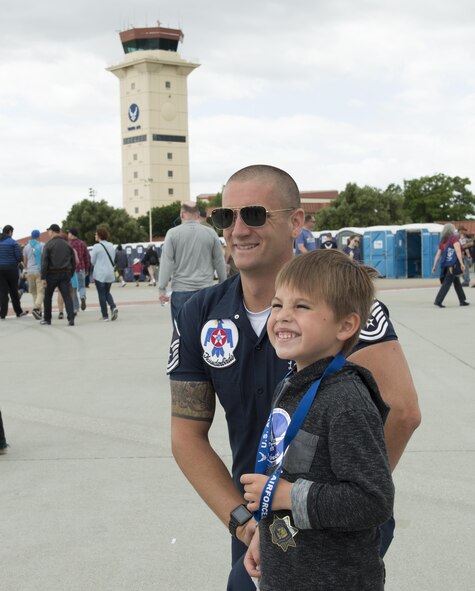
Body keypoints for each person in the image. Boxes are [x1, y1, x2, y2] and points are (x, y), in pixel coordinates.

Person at [168, 165, 420, 591]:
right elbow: (186, 436)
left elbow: (402, 412)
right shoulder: (198, 313)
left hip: (328, 530)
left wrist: (325, 510)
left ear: (296, 222)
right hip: (256, 518)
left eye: (254, 214)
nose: (238, 229)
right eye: (226, 218)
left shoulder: (340, 304)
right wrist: (248, 524)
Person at [241, 250, 394, 590]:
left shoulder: (346, 401)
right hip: (286, 572)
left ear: (346, 325)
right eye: (278, 304)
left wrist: (284, 496)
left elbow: (373, 501)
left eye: (302, 307)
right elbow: (288, 468)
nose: (282, 316)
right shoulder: (293, 384)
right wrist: (265, 532)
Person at [158, 201, 227, 322]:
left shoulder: (172, 234)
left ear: (182, 214)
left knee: (181, 334)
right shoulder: (210, 233)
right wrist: (223, 283)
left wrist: (162, 289)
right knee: (204, 332)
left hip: (181, 291)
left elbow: (166, 263)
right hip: (206, 290)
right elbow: (219, 260)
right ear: (197, 214)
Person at [40, 224, 76, 326]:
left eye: (49, 231)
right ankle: (71, 318)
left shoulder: (48, 245)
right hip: (65, 274)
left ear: (52, 232)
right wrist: (71, 273)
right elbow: (73, 262)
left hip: (52, 274)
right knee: (67, 296)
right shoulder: (68, 244)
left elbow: (44, 262)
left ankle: (47, 319)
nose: (48, 233)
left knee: (47, 296)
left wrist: (43, 277)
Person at [432, 223, 469, 308]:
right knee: (446, 284)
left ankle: (462, 300)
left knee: (457, 282)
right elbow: (458, 251)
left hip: (445, 265)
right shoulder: (454, 239)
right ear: (451, 231)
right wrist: (462, 263)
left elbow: (438, 254)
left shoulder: (443, 241)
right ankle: (438, 301)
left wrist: (434, 265)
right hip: (453, 265)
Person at [0, 225, 28, 319]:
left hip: (0, 270)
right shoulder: (13, 242)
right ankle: (18, 312)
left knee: (3, 292)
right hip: (12, 269)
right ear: (10, 232)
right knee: (13, 291)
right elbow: (19, 257)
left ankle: (2, 314)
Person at [90, 227, 118, 321]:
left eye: (96, 234)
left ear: (99, 235)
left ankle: (105, 316)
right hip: (109, 272)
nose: (95, 235)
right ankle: (113, 307)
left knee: (101, 294)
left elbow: (92, 261)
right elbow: (113, 258)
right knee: (107, 292)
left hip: (100, 273)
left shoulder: (96, 246)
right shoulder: (111, 245)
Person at [22, 229, 45, 319]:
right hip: (39, 271)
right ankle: (36, 308)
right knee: (41, 292)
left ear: (31, 236)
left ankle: (38, 312)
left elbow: (25, 261)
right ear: (39, 236)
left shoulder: (26, 247)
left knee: (34, 293)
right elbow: (44, 258)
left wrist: (25, 271)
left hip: (30, 271)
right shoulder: (42, 245)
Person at [67, 228, 91, 311]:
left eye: (69, 233)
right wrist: (87, 269)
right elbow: (87, 257)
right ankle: (82, 296)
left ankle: (76, 307)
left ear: (72, 234)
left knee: (73, 288)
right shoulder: (82, 243)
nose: (68, 234)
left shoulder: (69, 244)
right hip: (81, 268)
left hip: (72, 270)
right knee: (82, 286)